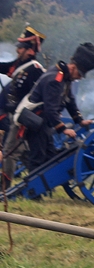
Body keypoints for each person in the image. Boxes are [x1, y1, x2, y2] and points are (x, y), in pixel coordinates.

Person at [15, 42, 94, 171]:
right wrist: (63, 129)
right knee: (38, 157)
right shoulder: (55, 80)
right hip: (36, 121)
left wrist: (79, 120)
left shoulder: (65, 79)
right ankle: (31, 190)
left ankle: (43, 189)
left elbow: (69, 100)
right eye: (79, 74)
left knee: (50, 156)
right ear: (73, 67)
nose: (79, 78)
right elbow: (51, 109)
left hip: (43, 123)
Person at [0, 27, 45, 178]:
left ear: (30, 50)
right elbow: (5, 67)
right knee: (24, 152)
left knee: (9, 152)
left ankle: (4, 187)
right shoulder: (19, 64)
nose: (18, 50)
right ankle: (36, 180)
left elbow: (38, 97)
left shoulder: (35, 69)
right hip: (17, 115)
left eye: (21, 48)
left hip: (25, 117)